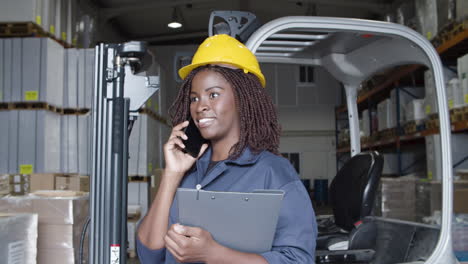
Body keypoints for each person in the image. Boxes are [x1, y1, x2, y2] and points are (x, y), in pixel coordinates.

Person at [137, 34, 317, 264]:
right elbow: (148, 255)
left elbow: (298, 260)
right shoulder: (188, 170)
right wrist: (172, 175)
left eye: (213, 94)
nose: (201, 106)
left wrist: (214, 254)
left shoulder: (272, 172)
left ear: (243, 99)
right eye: (194, 98)